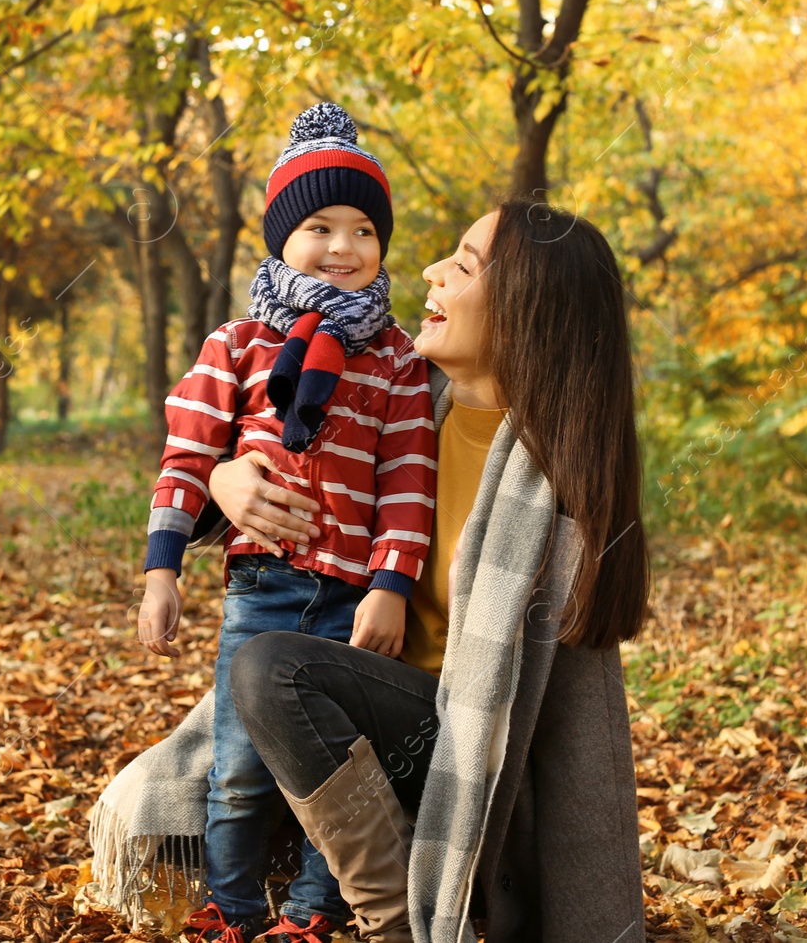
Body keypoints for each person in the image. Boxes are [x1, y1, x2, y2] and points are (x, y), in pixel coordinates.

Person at [212, 201, 651, 943]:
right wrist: (228, 483)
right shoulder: (394, 410)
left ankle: (391, 925)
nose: (431, 271)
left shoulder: (555, 493)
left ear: (527, 311)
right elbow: (288, 501)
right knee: (262, 666)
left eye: (465, 264)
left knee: (272, 670)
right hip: (359, 725)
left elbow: (560, 745)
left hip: (466, 764)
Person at [133, 101, 437, 943]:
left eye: (363, 230)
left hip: (350, 597)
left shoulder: (399, 360)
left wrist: (390, 586)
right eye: (320, 227)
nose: (344, 247)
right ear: (280, 238)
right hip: (261, 587)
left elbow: (409, 481)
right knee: (238, 768)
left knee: (332, 771)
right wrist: (164, 572)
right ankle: (229, 907)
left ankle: (310, 910)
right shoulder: (237, 344)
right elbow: (188, 458)